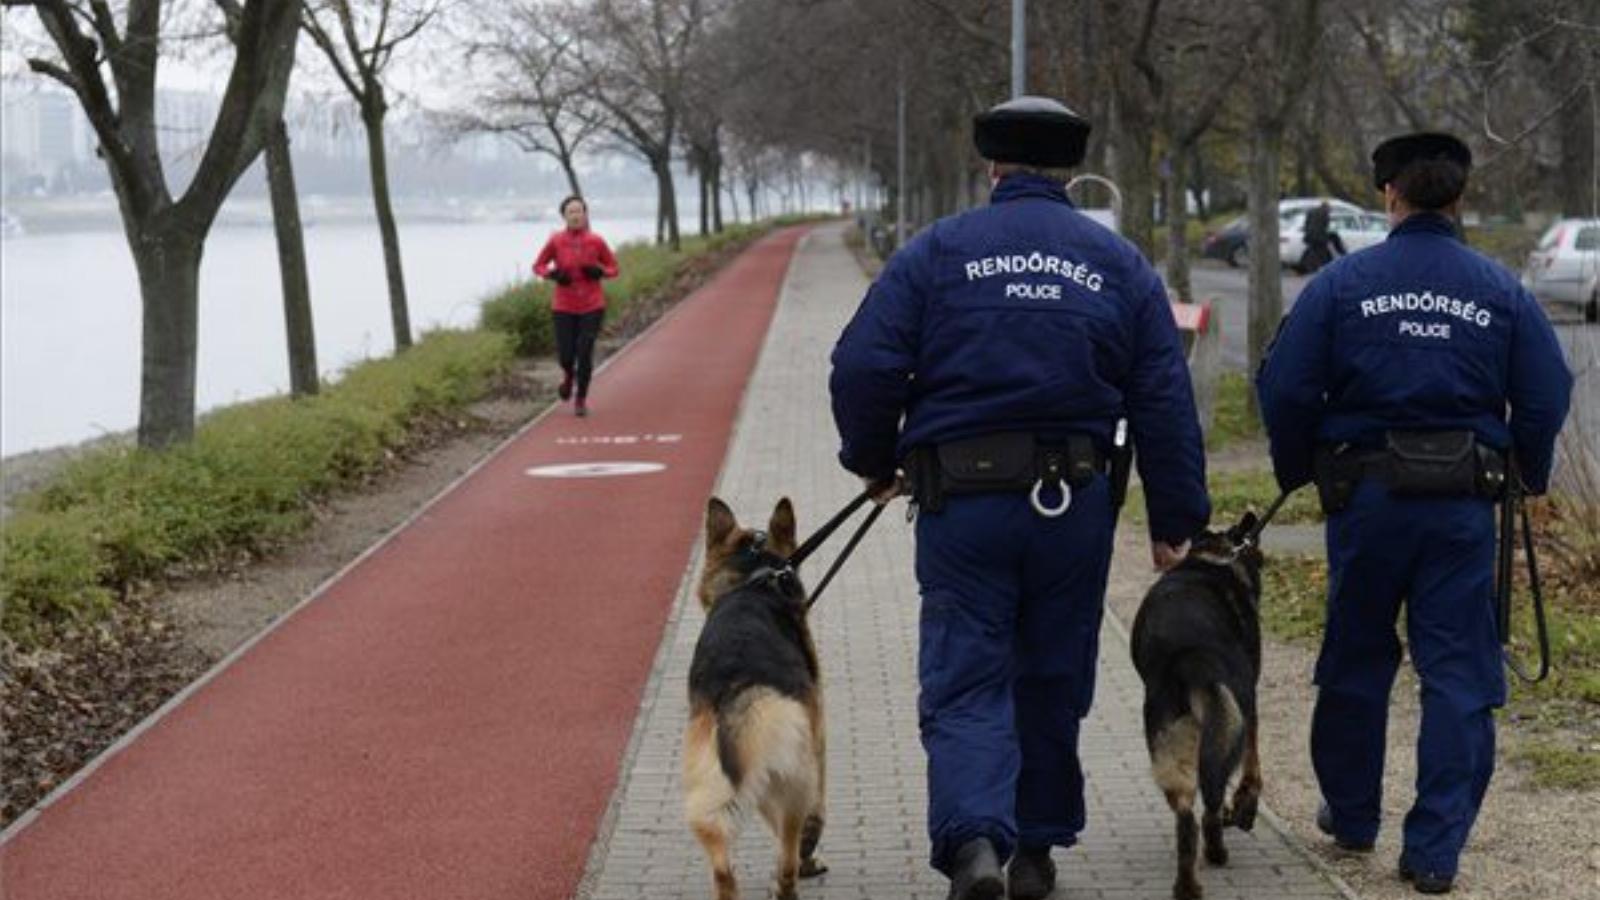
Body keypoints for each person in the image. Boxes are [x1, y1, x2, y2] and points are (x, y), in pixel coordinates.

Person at [829, 96, 1210, 900]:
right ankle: (1035, 850)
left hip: (961, 504)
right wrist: (1177, 522)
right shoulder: (1118, 264)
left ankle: (974, 843)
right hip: (1072, 506)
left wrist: (872, 458)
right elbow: (1164, 399)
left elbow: (863, 365)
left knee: (967, 674)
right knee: (1051, 672)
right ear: (1069, 171)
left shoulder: (938, 252)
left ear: (991, 165)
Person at [1256, 132, 1572, 895]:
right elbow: (1547, 390)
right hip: (1461, 507)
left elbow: (1286, 387)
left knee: (1357, 659)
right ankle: (1433, 850)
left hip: (1366, 502)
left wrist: (1301, 471)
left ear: (1388, 196)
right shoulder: (1499, 289)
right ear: (1459, 200)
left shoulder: (1341, 284)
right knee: (1460, 672)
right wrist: (1525, 471)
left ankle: (1354, 816)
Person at [534, 195, 618, 417]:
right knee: (566, 355)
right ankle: (568, 376)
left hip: (592, 304)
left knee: (585, 351)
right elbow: (538, 265)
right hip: (564, 306)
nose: (576, 216)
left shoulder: (596, 241)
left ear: (585, 214)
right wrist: (553, 274)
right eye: (571, 212)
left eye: (579, 211)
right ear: (564, 216)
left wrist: (600, 272)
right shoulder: (556, 241)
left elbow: (613, 268)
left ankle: (580, 398)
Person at [1302, 201, 1348, 272]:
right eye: (1329, 209)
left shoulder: (1311, 212)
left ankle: (1317, 265)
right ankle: (1342, 255)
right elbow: (1324, 227)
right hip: (1319, 237)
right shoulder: (1325, 214)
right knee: (1323, 251)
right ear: (1326, 208)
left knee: (1316, 251)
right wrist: (1324, 237)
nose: (1330, 211)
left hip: (1309, 236)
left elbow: (1306, 224)